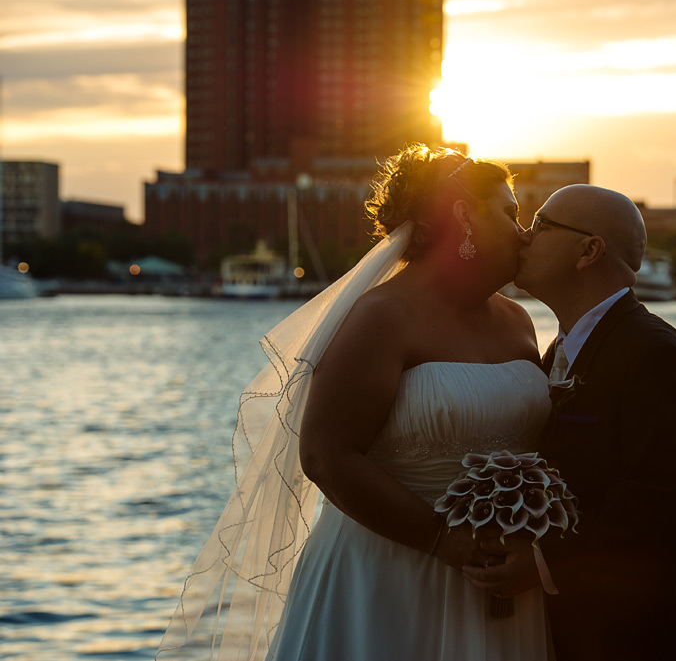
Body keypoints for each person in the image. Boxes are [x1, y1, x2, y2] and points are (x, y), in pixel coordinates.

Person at [157, 145, 551, 660]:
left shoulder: (518, 323)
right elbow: (325, 454)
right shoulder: (384, 316)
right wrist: (440, 540)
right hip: (390, 573)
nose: (522, 233)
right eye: (509, 213)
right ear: (463, 217)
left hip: (501, 581)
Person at [464, 184, 676, 660]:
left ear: (588, 251)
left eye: (542, 225)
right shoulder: (561, 353)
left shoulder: (654, 355)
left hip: (675, 636)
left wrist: (544, 561)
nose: (524, 236)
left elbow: (663, 500)